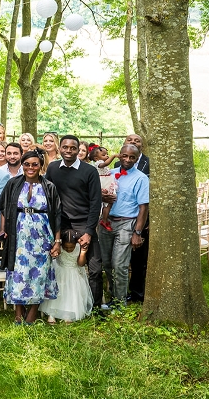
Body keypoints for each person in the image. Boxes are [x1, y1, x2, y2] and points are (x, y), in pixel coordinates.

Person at [0, 150, 62, 325]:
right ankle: (19, 312)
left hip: (42, 238)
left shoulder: (49, 186)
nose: (30, 167)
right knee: (18, 273)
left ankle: (33, 311)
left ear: (40, 165)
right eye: (27, 164)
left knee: (39, 274)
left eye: (34, 164)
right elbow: (3, 207)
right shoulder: (13, 184)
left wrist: (57, 241)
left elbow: (57, 215)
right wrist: (3, 229)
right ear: (22, 165)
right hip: (18, 237)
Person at [45, 135, 103, 310]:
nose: (68, 151)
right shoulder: (53, 168)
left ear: (78, 150)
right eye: (65, 147)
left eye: (72, 148)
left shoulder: (89, 171)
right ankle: (59, 306)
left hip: (84, 224)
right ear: (60, 148)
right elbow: (49, 198)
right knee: (58, 266)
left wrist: (89, 232)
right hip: (61, 225)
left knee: (94, 267)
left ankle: (95, 307)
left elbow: (96, 202)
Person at [98, 143, 149, 308]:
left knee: (119, 264)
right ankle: (114, 296)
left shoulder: (141, 178)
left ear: (136, 158)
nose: (128, 159)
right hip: (106, 222)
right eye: (125, 156)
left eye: (132, 157)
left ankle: (120, 302)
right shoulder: (110, 174)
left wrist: (137, 232)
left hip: (127, 223)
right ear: (119, 155)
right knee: (106, 263)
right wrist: (103, 197)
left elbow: (143, 208)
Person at [41, 228, 93, 323]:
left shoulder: (79, 248)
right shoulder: (59, 247)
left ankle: (68, 314)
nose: (68, 249)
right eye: (66, 247)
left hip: (74, 273)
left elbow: (81, 264)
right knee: (58, 292)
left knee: (71, 293)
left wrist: (83, 252)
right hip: (60, 272)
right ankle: (52, 314)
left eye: (71, 247)